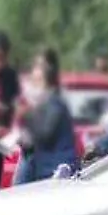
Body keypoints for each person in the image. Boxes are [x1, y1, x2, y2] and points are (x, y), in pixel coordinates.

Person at [15, 50, 77, 184]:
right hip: (43, 168)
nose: (34, 84)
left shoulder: (54, 102)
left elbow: (44, 134)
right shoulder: (43, 103)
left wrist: (26, 115)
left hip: (55, 170)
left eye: (38, 80)